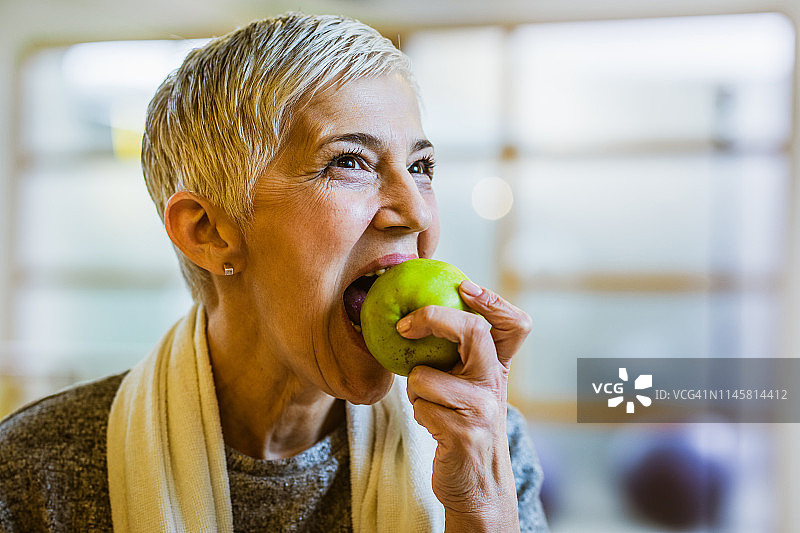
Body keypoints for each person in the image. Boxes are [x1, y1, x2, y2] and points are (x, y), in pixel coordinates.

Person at [0, 12, 549, 532]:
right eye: (349, 162)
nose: (417, 211)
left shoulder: (480, 442)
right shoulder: (35, 473)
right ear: (207, 231)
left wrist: (482, 505)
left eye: (421, 167)